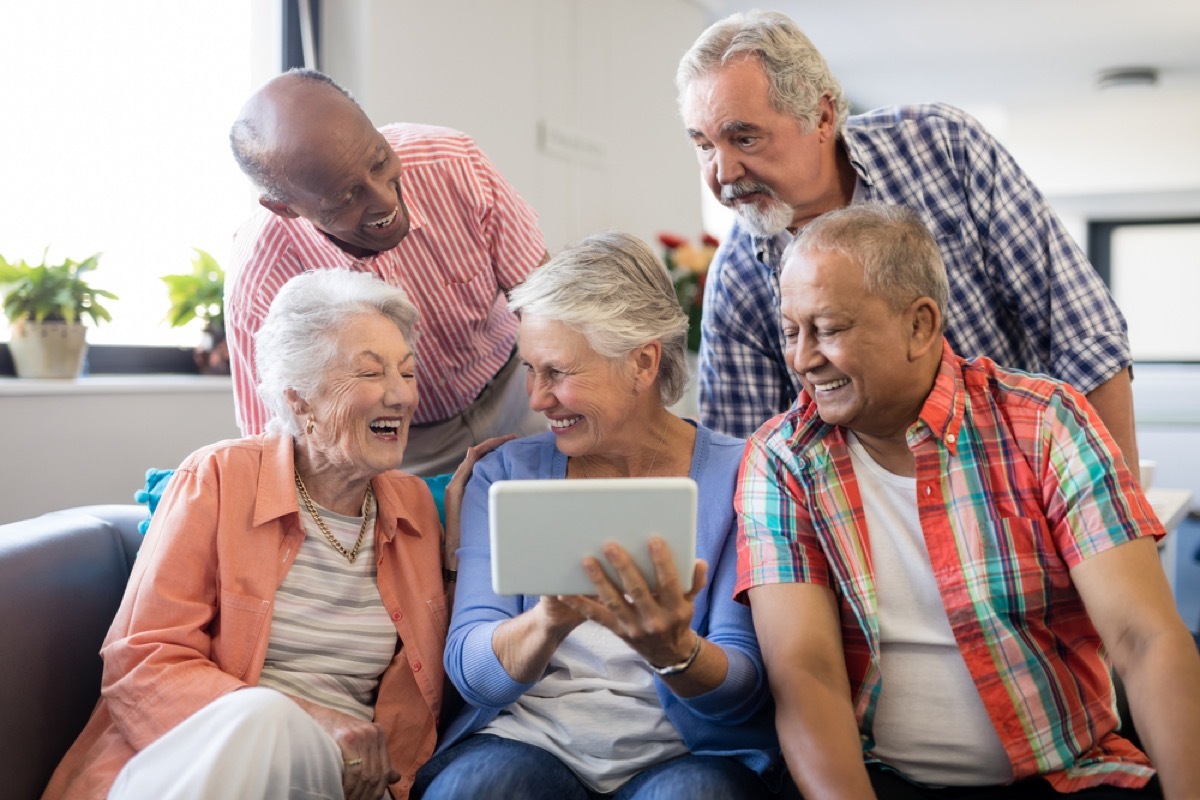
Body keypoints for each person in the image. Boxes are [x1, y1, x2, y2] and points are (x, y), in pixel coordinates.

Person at [736, 204, 1200, 799]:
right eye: (791, 330)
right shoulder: (782, 459)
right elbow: (807, 677)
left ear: (920, 325)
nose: (802, 358)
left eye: (828, 329)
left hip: (1065, 775)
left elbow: (1145, 639)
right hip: (881, 781)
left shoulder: (1044, 423)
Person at [43, 269, 455, 800]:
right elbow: (142, 661)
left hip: (333, 781)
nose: (400, 396)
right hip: (193, 760)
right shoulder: (217, 479)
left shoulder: (417, 510)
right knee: (263, 718)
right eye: (371, 374)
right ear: (299, 399)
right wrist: (306, 719)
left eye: (407, 372)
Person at [676, 11, 1140, 473]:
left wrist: (1119, 513)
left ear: (821, 116)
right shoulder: (735, 279)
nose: (722, 173)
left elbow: (1083, 335)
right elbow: (751, 462)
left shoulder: (943, 150)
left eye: (745, 138)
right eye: (704, 145)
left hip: (1035, 479)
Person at [413, 233, 782, 799]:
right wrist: (549, 619)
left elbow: (745, 686)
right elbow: (471, 670)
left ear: (642, 361)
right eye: (529, 371)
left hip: (683, 753)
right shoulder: (505, 473)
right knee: (484, 787)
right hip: (529, 742)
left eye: (557, 372)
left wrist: (676, 651)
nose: (536, 399)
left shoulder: (741, 474)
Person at [228, 68, 549, 476]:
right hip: (395, 444)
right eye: (346, 196)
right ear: (286, 207)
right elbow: (275, 442)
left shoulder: (455, 164)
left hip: (516, 390)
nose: (385, 200)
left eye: (380, 162)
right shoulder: (259, 280)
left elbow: (546, 307)